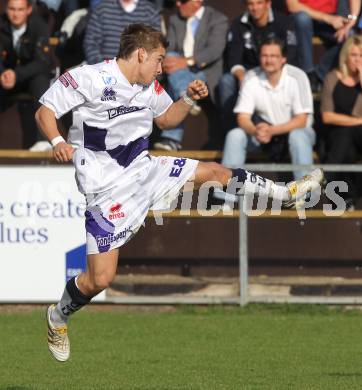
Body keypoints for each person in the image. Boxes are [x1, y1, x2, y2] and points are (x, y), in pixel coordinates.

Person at [35, 24, 323, 362]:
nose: (161, 68)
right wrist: (57, 141)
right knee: (100, 279)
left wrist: (187, 98)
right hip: (105, 189)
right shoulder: (90, 77)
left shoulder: (148, 87)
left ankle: (283, 193)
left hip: (145, 171)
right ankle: (57, 316)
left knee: (214, 172)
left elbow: (168, 120)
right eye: (158, 60)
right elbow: (45, 111)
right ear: (140, 53)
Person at [214, 38, 315, 202]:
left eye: (274, 56)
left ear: (283, 59)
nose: (269, 60)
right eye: (265, 55)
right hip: (262, 134)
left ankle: (304, 194)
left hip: (294, 132)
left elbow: (301, 120)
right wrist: (256, 130)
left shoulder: (298, 76)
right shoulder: (251, 77)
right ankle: (225, 197)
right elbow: (242, 117)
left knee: (298, 135)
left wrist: (271, 130)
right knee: (235, 134)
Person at [153, 0, 228, 151]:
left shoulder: (217, 19)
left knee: (177, 74)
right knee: (171, 58)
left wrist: (187, 61)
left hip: (205, 70)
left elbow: (214, 50)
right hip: (179, 71)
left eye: (182, 1)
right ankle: (186, 94)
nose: (178, 4)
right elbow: (170, 48)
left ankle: (171, 139)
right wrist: (169, 60)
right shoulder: (175, 20)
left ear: (197, 2)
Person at [218, 0, 297, 134]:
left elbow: (291, 54)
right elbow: (233, 59)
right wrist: (243, 77)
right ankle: (232, 131)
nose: (254, 8)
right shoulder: (238, 24)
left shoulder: (284, 22)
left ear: (268, 3)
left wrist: (271, 73)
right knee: (226, 81)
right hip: (249, 73)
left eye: (259, 3)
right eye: (250, 4)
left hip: (277, 71)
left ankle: (278, 129)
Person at [0, 0, 53, 150]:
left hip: (30, 77)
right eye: (12, 9)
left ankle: (43, 141)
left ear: (28, 10)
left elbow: (43, 62)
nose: (15, 14)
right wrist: (2, 74)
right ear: (6, 9)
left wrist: (16, 74)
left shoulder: (39, 26)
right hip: (5, 78)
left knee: (41, 81)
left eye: (20, 9)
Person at [321, 35, 362, 209]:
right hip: (337, 134)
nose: (358, 60)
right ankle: (347, 197)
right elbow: (327, 116)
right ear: (345, 56)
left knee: (347, 138)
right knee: (345, 140)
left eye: (361, 55)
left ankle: (327, 179)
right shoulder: (333, 77)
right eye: (354, 55)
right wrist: (359, 121)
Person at [286, 0, 361, 91]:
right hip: (301, 17)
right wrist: (328, 18)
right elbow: (292, 6)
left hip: (331, 16)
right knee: (302, 19)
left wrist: (351, 20)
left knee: (349, 36)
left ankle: (318, 75)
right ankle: (308, 73)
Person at [83, 0, 161, 65]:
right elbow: (91, 44)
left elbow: (155, 47)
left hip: (139, 73)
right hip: (103, 71)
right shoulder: (102, 9)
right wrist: (103, 68)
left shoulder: (150, 12)